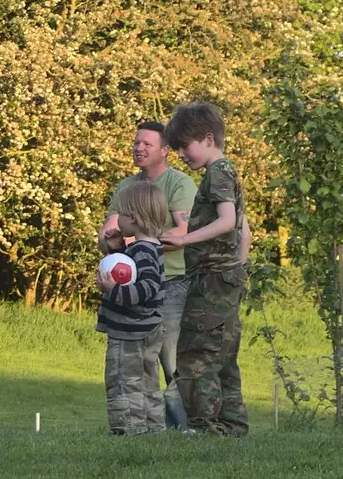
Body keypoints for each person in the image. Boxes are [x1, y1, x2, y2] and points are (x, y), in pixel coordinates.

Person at [161, 101, 251, 436]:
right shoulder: (228, 171)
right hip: (224, 278)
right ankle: (233, 427)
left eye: (185, 146)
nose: (182, 154)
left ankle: (205, 428)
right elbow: (245, 230)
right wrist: (235, 271)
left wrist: (183, 241)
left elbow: (228, 222)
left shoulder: (218, 172)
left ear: (208, 138)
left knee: (195, 355)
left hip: (212, 280)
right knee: (223, 355)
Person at [99, 121, 196, 428]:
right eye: (135, 142)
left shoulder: (179, 185)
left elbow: (183, 230)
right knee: (142, 368)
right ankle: (154, 428)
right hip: (141, 285)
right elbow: (108, 233)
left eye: (147, 144)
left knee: (167, 362)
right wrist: (113, 244)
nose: (138, 148)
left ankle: (178, 427)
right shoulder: (127, 188)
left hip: (173, 283)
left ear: (165, 151)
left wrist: (137, 245)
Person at [96, 183, 171, 434]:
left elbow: (146, 287)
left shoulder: (142, 251)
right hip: (149, 329)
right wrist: (117, 248)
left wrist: (112, 291)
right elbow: (131, 271)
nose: (118, 219)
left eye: (123, 214)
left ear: (135, 219)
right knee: (148, 381)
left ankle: (130, 432)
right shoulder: (150, 247)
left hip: (130, 332)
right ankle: (153, 429)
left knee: (124, 382)